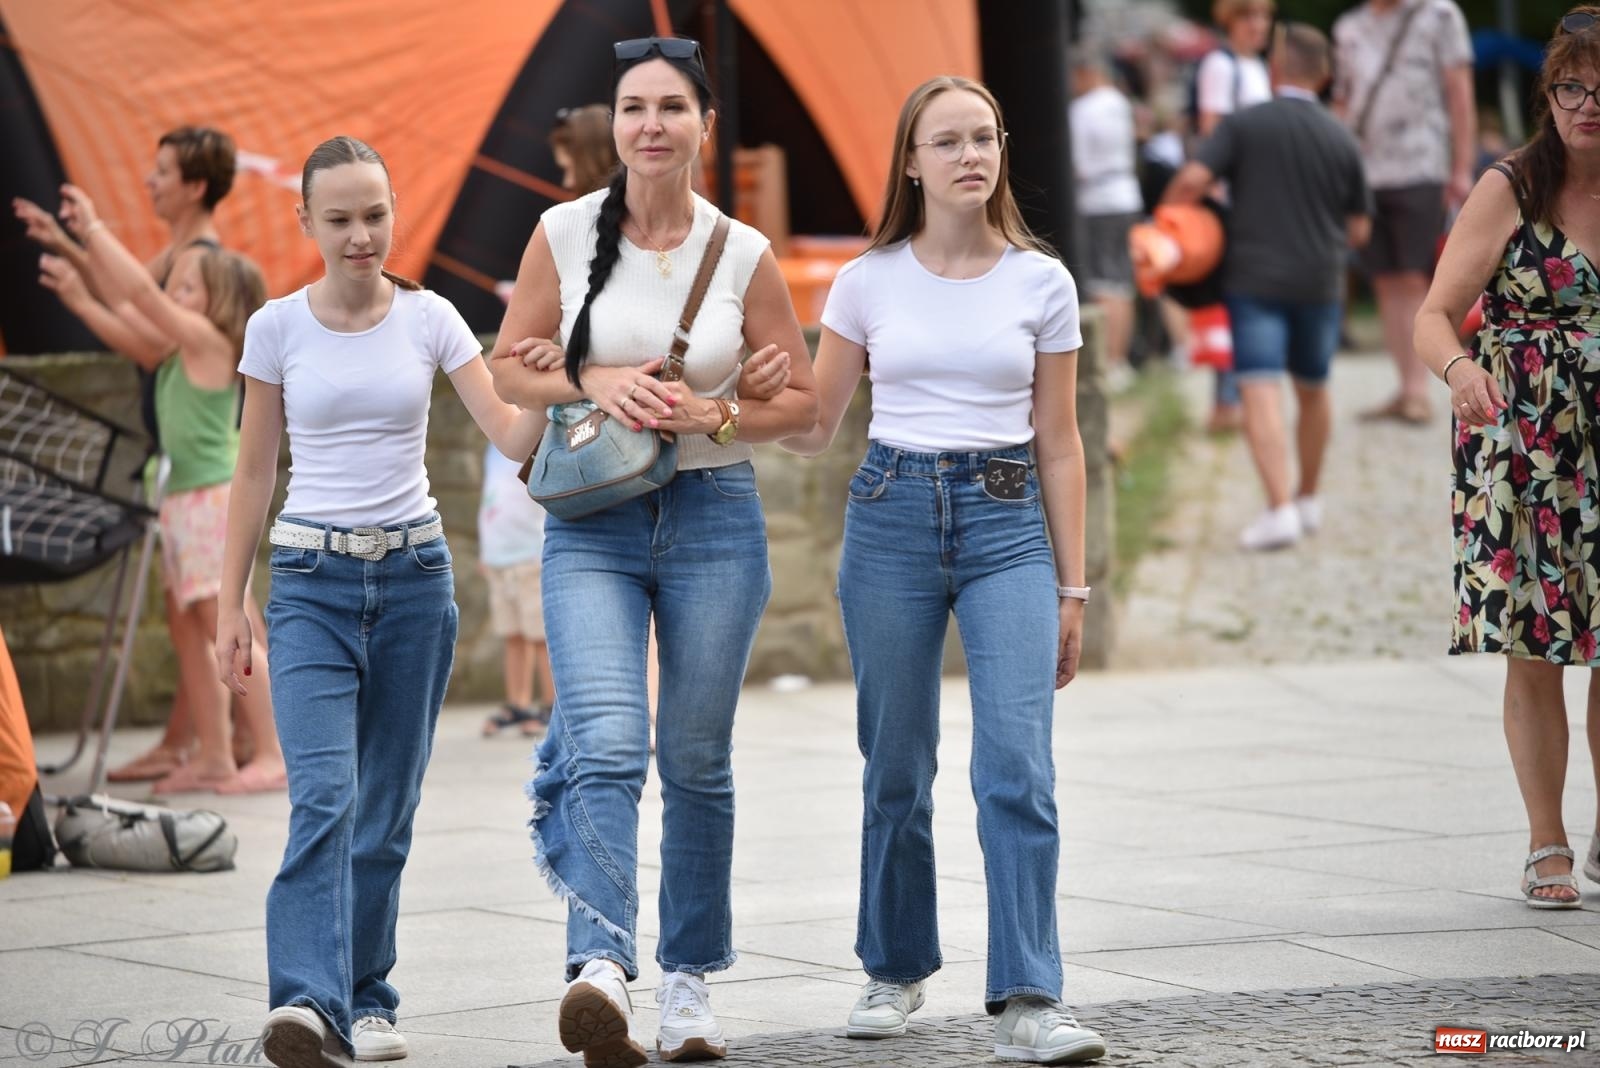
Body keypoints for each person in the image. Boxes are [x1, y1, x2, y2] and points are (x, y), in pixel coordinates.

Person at [487, 35, 817, 1067]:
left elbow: (803, 408)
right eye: (634, 107)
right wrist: (593, 380)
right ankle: (599, 965)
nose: (651, 125)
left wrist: (716, 412)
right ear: (616, 124)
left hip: (715, 517)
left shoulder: (742, 252)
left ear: (704, 126)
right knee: (606, 743)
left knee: (697, 759)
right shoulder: (562, 232)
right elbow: (508, 371)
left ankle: (688, 981)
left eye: (672, 107)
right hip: (593, 522)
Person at [779, 75, 1106, 1065]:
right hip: (891, 518)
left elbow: (1060, 443)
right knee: (896, 764)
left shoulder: (1042, 282)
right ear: (911, 165)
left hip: (1008, 526)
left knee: (1017, 764)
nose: (971, 155)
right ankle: (893, 968)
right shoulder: (866, 280)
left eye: (984, 137)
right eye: (948, 141)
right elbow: (815, 425)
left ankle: (1030, 997)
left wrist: (1074, 588)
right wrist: (734, 402)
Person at [213, 135, 545, 1064]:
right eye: (340, 219)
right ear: (306, 222)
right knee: (324, 796)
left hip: (414, 581)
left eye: (375, 215)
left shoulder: (433, 318)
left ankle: (366, 999)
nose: (361, 235)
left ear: (394, 213)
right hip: (308, 584)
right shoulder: (276, 328)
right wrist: (231, 601)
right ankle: (304, 1003)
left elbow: (509, 431)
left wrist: (567, 376)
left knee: (386, 811)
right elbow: (253, 471)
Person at [1414, 6, 1600, 910]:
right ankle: (1545, 838)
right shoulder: (1511, 186)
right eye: (1573, 87)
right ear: (1548, 94)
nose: (1588, 105)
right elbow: (1431, 316)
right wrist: (1459, 371)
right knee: (1537, 647)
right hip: (1526, 447)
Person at [13, 125, 257, 785]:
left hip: (203, 481)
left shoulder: (197, 265)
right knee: (192, 620)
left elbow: (141, 319)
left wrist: (87, 239)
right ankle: (205, 746)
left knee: (221, 619)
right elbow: (128, 294)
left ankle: (252, 747)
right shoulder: (180, 260)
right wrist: (69, 244)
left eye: (163, 172)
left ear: (195, 185)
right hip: (180, 476)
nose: (150, 182)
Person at [1163, 24, 1373, 551]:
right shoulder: (1340, 136)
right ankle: (1307, 498)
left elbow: (1191, 180)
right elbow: (1359, 229)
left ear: (1275, 70)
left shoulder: (1245, 124)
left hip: (1253, 278)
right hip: (1321, 281)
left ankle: (1278, 509)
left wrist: (1167, 223)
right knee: (1313, 387)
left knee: (1259, 388)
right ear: (1324, 75)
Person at [1334, 0, 1475, 425]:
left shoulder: (1440, 15)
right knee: (1384, 280)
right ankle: (1404, 386)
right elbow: (1342, 103)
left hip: (1421, 165)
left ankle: (1417, 391)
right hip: (1364, 172)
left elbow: (1459, 92)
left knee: (1414, 277)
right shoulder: (1349, 27)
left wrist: (1462, 167)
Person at [1194, 0, 1275, 433]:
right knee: (1232, 299)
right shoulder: (1221, 66)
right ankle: (1226, 400)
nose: (1258, 25)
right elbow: (1213, 134)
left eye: (1263, 16)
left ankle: (1239, 394)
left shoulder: (1256, 67)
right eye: (1248, 16)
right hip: (1233, 200)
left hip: (1256, 199)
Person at [1069, 48, 1142, 388]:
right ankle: (1120, 359)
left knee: (1102, 281)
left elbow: (1078, 164)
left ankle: (1108, 360)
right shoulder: (1119, 102)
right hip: (1126, 193)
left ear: (1085, 73)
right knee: (1123, 280)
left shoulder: (1082, 110)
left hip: (1098, 199)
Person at [477, 443, 554, 737]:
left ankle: (551, 705)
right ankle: (518, 704)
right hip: (498, 556)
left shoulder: (533, 441)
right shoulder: (493, 448)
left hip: (531, 554)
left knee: (540, 636)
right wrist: (486, 551)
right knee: (512, 634)